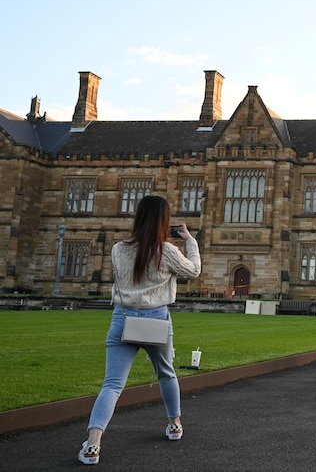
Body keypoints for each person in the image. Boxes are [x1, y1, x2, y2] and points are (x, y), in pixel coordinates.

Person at [78, 195, 201, 465]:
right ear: (163, 221)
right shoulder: (166, 250)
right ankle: (175, 424)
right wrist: (190, 240)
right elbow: (193, 271)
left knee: (112, 385)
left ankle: (93, 444)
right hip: (156, 320)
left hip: (122, 318)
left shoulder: (118, 249)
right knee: (166, 373)